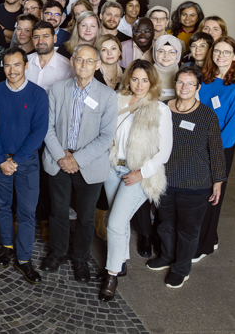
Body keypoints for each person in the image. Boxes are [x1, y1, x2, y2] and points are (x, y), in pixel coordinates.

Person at [39, 44, 117, 284]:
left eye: (89, 61)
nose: (84, 65)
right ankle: (58, 252)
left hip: (89, 164)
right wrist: (62, 156)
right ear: (71, 62)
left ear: (98, 65)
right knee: (58, 211)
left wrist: (77, 159)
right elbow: (47, 126)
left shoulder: (107, 95)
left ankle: (81, 258)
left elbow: (106, 137)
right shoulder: (58, 89)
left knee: (86, 217)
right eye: (80, 60)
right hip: (58, 160)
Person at [98, 59, 173, 301]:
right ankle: (122, 259)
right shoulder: (117, 99)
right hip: (112, 168)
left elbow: (164, 152)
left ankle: (111, 275)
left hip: (139, 174)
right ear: (128, 79)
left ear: (152, 81)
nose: (139, 84)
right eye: (135, 78)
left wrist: (141, 173)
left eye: (144, 80)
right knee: (120, 221)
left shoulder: (160, 109)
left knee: (115, 222)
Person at [151, 65, 226, 288]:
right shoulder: (163, 109)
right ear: (175, 84)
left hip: (195, 184)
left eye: (190, 83)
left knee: (188, 230)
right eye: (180, 82)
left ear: (198, 87)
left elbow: (217, 151)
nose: (184, 87)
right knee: (165, 224)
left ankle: (181, 268)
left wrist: (218, 181)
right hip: (165, 180)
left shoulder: (206, 115)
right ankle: (166, 256)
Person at [0, 48, 49, 284]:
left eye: (17, 65)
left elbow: (38, 132)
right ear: (2, 67)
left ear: (25, 66)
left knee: (26, 212)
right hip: (0, 160)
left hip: (27, 162)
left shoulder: (38, 94)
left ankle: (24, 259)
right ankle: (7, 246)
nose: (12, 70)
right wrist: (1, 160)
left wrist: (15, 161)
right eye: (7, 65)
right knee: (2, 206)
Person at [194, 36, 235, 262]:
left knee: (213, 196)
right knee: (197, 193)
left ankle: (204, 245)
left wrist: (212, 149)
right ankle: (211, 236)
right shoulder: (204, 79)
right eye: (217, 51)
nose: (221, 56)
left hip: (220, 148)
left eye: (227, 52)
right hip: (197, 144)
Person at [154, 34, 183, 101]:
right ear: (155, 52)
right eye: (161, 51)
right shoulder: (147, 74)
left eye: (172, 52)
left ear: (178, 54)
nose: (166, 56)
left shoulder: (186, 76)